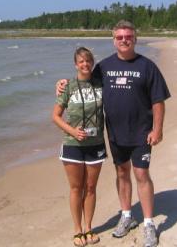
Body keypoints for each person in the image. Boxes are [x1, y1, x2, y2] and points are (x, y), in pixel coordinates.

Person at [57, 21, 170, 247]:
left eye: (128, 36)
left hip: (141, 133)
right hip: (115, 134)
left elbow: (158, 101)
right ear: (113, 40)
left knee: (141, 174)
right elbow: (83, 78)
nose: (124, 40)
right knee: (121, 173)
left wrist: (157, 129)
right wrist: (61, 84)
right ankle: (126, 216)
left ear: (135, 39)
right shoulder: (104, 67)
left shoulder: (148, 66)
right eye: (119, 37)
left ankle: (148, 223)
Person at [53, 46, 107, 247]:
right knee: (76, 188)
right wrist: (73, 131)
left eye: (88, 61)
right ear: (76, 64)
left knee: (91, 188)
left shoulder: (100, 84)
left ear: (92, 63)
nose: (85, 64)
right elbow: (55, 116)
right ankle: (77, 231)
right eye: (81, 61)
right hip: (72, 144)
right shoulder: (68, 86)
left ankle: (89, 227)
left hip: (96, 144)